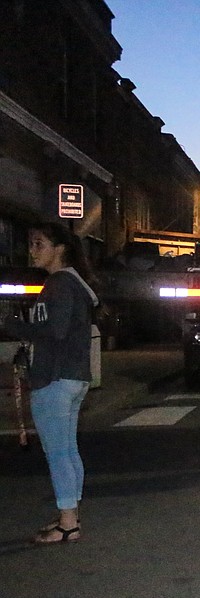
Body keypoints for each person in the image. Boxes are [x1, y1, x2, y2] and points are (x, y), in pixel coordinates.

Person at [3, 221, 99, 544]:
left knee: (57, 452)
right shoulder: (75, 285)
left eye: (39, 244)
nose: (32, 251)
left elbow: (54, 330)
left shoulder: (59, 283)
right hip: (73, 377)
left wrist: (17, 327)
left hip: (55, 377)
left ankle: (68, 522)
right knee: (68, 449)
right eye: (31, 244)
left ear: (60, 249)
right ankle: (69, 515)